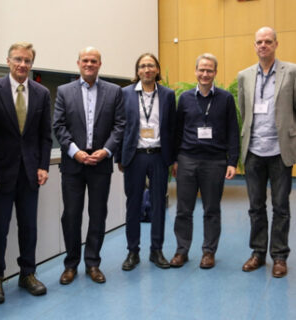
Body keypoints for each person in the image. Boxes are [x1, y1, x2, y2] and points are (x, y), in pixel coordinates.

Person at [0, 43, 52, 303]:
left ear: (32, 64)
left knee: (29, 227)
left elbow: (45, 135)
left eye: (27, 60)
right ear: (8, 61)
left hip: (30, 173)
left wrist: (43, 166)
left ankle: (27, 274)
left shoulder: (42, 93)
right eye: (18, 59)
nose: (23, 64)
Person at [53, 47, 125, 284]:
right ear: (78, 63)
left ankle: (93, 263)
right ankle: (71, 264)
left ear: (100, 64)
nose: (89, 64)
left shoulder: (114, 92)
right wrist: (75, 152)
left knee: (98, 215)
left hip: (101, 164)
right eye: (85, 60)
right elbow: (59, 126)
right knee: (71, 215)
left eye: (94, 61)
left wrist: (106, 151)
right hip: (74, 165)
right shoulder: (64, 91)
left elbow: (119, 126)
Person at [170, 53, 239, 269]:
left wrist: (232, 161)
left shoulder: (226, 99)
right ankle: (182, 251)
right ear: (195, 71)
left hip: (215, 162)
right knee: (183, 210)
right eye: (201, 69)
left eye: (209, 70)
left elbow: (233, 132)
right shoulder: (186, 99)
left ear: (215, 73)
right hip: (187, 159)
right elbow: (178, 131)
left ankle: (209, 252)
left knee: (211, 210)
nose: (205, 74)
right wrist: (175, 159)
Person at [238, 27, 296, 278]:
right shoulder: (244, 76)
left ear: (276, 44)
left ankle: (280, 256)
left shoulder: (292, 72)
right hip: (253, 151)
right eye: (259, 41)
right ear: (254, 45)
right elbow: (243, 109)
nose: (263, 45)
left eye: (268, 41)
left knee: (281, 206)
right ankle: (258, 253)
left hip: (280, 150)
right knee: (255, 206)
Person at [116, 53, 176, 271]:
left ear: (157, 70)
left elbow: (172, 128)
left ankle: (156, 250)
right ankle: (133, 252)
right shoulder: (125, 94)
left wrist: (173, 159)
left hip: (160, 156)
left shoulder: (168, 95)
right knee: (133, 205)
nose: (147, 69)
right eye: (142, 66)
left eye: (151, 65)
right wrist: (119, 157)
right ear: (137, 71)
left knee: (159, 204)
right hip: (135, 156)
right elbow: (120, 127)